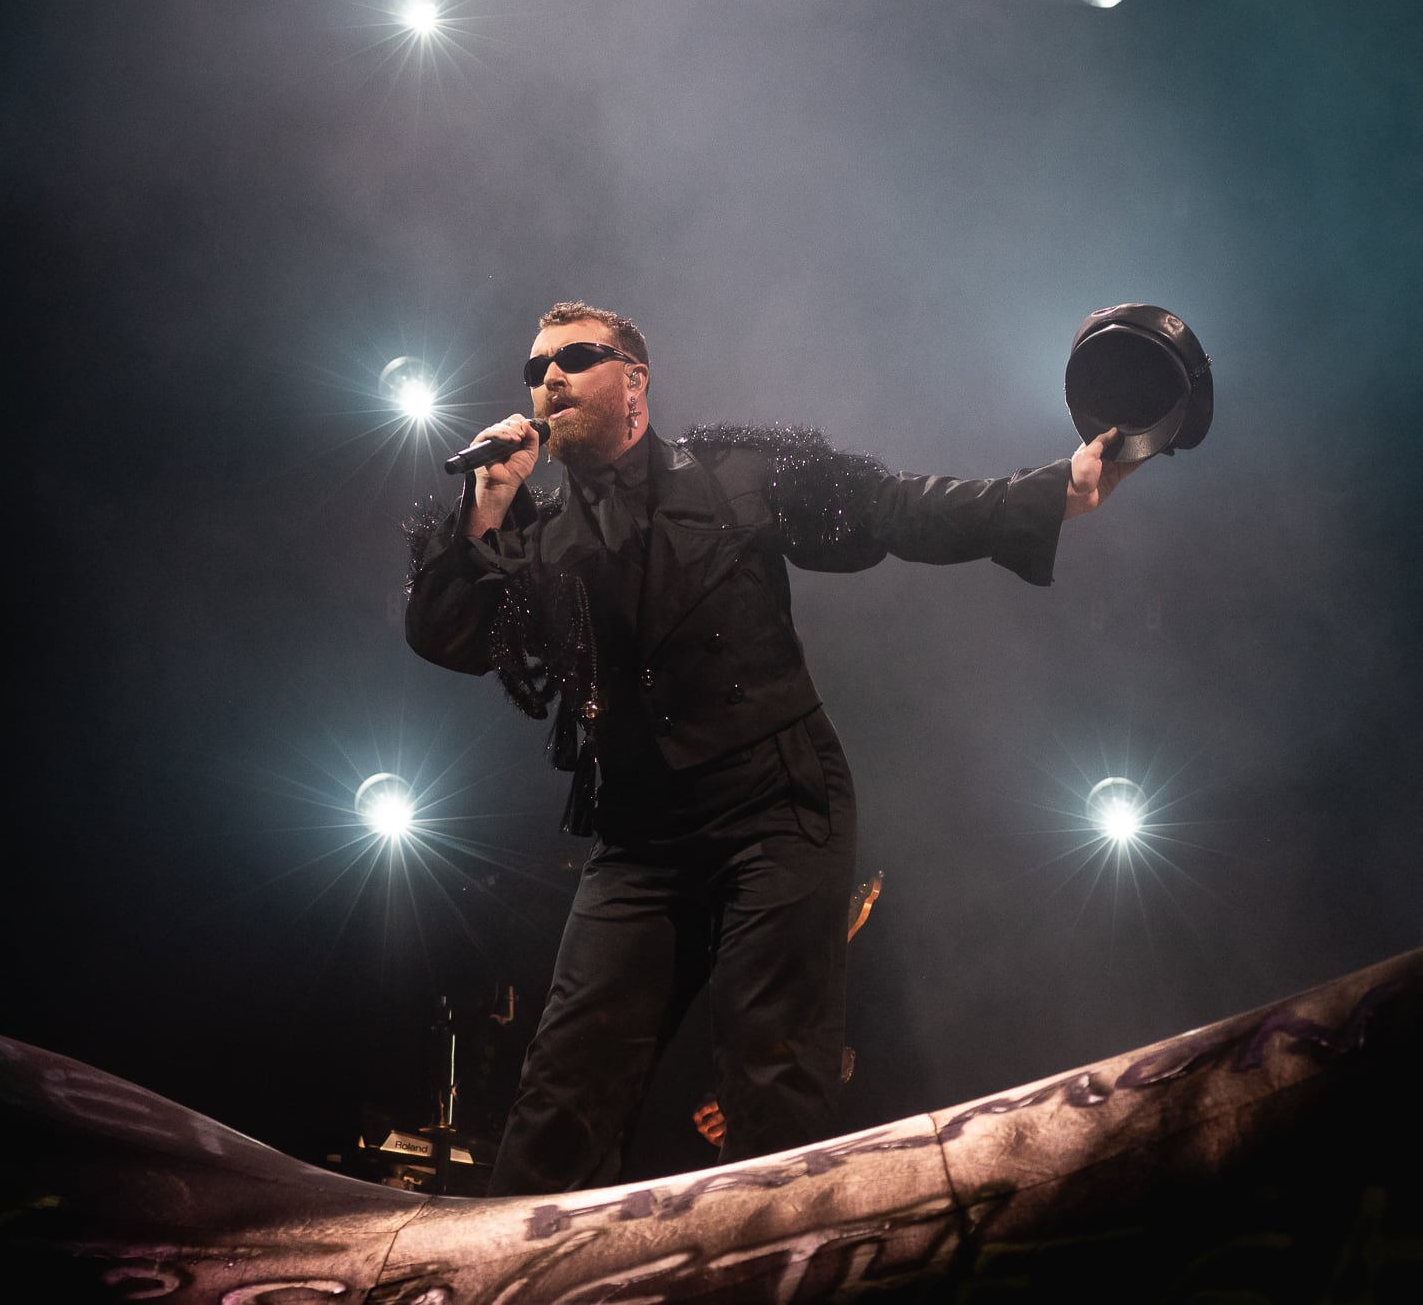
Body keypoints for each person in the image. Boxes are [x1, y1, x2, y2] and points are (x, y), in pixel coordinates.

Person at [404, 301, 1136, 1195]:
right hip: (641, 838)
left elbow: (892, 508)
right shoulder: (537, 535)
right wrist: (485, 501)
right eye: (535, 368)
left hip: (776, 805)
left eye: (574, 357)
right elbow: (444, 632)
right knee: (560, 1095)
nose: (547, 377)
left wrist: (1054, 491)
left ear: (634, 381)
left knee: (773, 1083)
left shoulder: (733, 474)